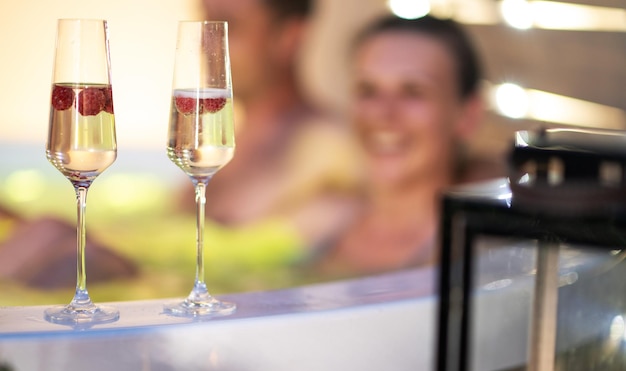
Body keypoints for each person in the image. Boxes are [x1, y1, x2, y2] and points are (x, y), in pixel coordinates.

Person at [311, 14, 490, 277]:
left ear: (468, 115)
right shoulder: (319, 228)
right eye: (368, 90)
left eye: (413, 92)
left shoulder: (482, 258)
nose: (383, 114)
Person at [196, 0, 363, 246]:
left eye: (228, 27)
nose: (205, 45)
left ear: (289, 37)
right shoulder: (224, 140)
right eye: (206, 25)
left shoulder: (332, 154)